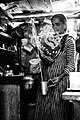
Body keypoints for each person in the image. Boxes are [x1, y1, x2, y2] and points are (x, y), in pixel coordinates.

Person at [34, 14, 75, 120]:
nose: (55, 28)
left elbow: (71, 65)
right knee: (43, 112)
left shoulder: (69, 41)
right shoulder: (49, 40)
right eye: (53, 25)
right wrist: (39, 63)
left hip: (60, 84)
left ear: (65, 25)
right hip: (47, 82)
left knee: (58, 113)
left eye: (58, 24)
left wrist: (59, 78)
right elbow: (46, 60)